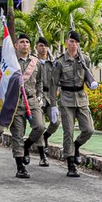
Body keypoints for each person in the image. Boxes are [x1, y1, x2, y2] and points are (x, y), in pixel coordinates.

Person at [52, 31, 96, 177]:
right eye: (71, 41)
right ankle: (70, 164)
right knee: (68, 132)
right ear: (66, 42)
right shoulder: (59, 62)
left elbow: (89, 78)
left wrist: (93, 83)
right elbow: (53, 84)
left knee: (89, 129)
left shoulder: (85, 60)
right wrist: (53, 105)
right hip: (66, 99)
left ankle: (76, 146)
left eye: (76, 42)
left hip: (81, 97)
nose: (74, 44)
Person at [9, 33, 45, 179]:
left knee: (40, 127)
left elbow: (40, 81)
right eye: (21, 42)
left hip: (31, 100)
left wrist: (40, 95)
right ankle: (20, 167)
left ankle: (27, 145)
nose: (25, 44)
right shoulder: (10, 62)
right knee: (17, 134)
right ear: (16, 45)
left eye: (27, 42)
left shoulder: (35, 63)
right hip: (15, 101)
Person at [32, 36, 60, 167]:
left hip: (50, 95)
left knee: (55, 122)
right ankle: (43, 156)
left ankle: (46, 137)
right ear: (36, 47)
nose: (43, 48)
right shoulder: (33, 62)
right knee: (40, 125)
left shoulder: (52, 62)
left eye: (45, 46)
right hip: (37, 96)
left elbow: (58, 79)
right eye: (41, 46)